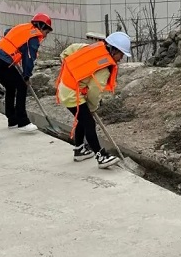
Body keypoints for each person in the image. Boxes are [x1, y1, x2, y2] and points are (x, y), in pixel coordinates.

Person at [56, 32, 132, 169]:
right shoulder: (104, 68)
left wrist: (67, 64)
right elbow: (95, 91)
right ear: (114, 50)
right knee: (89, 123)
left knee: (83, 120)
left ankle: (79, 150)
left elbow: (71, 49)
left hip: (67, 86)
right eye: (121, 54)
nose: (121, 58)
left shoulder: (92, 48)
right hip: (72, 93)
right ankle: (101, 157)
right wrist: (92, 108)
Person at [0, 13, 52, 132]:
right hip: (4, 60)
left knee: (11, 87)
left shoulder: (23, 27)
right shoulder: (33, 37)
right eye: (47, 32)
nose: (45, 35)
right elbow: (29, 58)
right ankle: (23, 122)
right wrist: (26, 75)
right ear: (41, 26)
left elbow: (8, 33)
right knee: (22, 86)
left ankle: (12, 120)